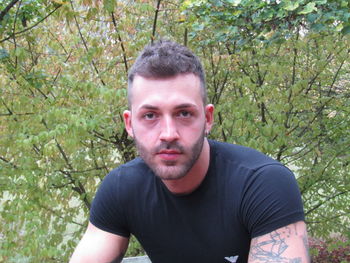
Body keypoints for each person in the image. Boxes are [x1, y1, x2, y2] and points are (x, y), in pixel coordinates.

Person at [70, 40, 310, 263]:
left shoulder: (262, 184)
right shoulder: (121, 188)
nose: (168, 133)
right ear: (130, 124)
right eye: (150, 115)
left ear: (207, 119)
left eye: (184, 113)